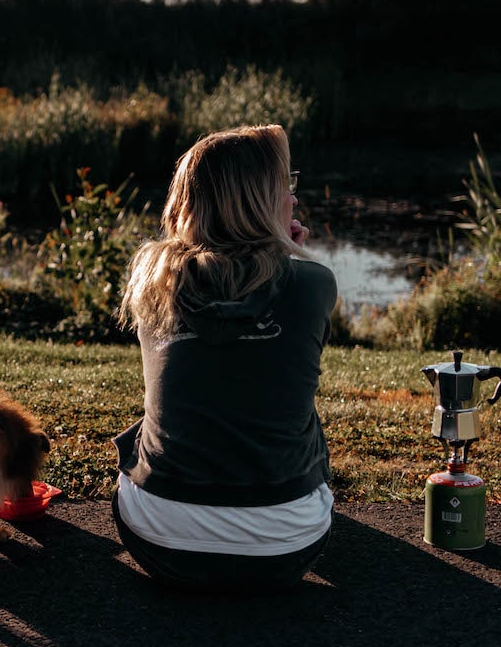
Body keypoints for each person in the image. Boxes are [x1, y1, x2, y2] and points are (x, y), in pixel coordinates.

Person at [111, 124, 337, 592]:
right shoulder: (313, 284)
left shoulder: (151, 283)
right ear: (256, 198)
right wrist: (291, 253)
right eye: (285, 185)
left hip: (159, 540)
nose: (293, 200)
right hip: (286, 547)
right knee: (297, 411)